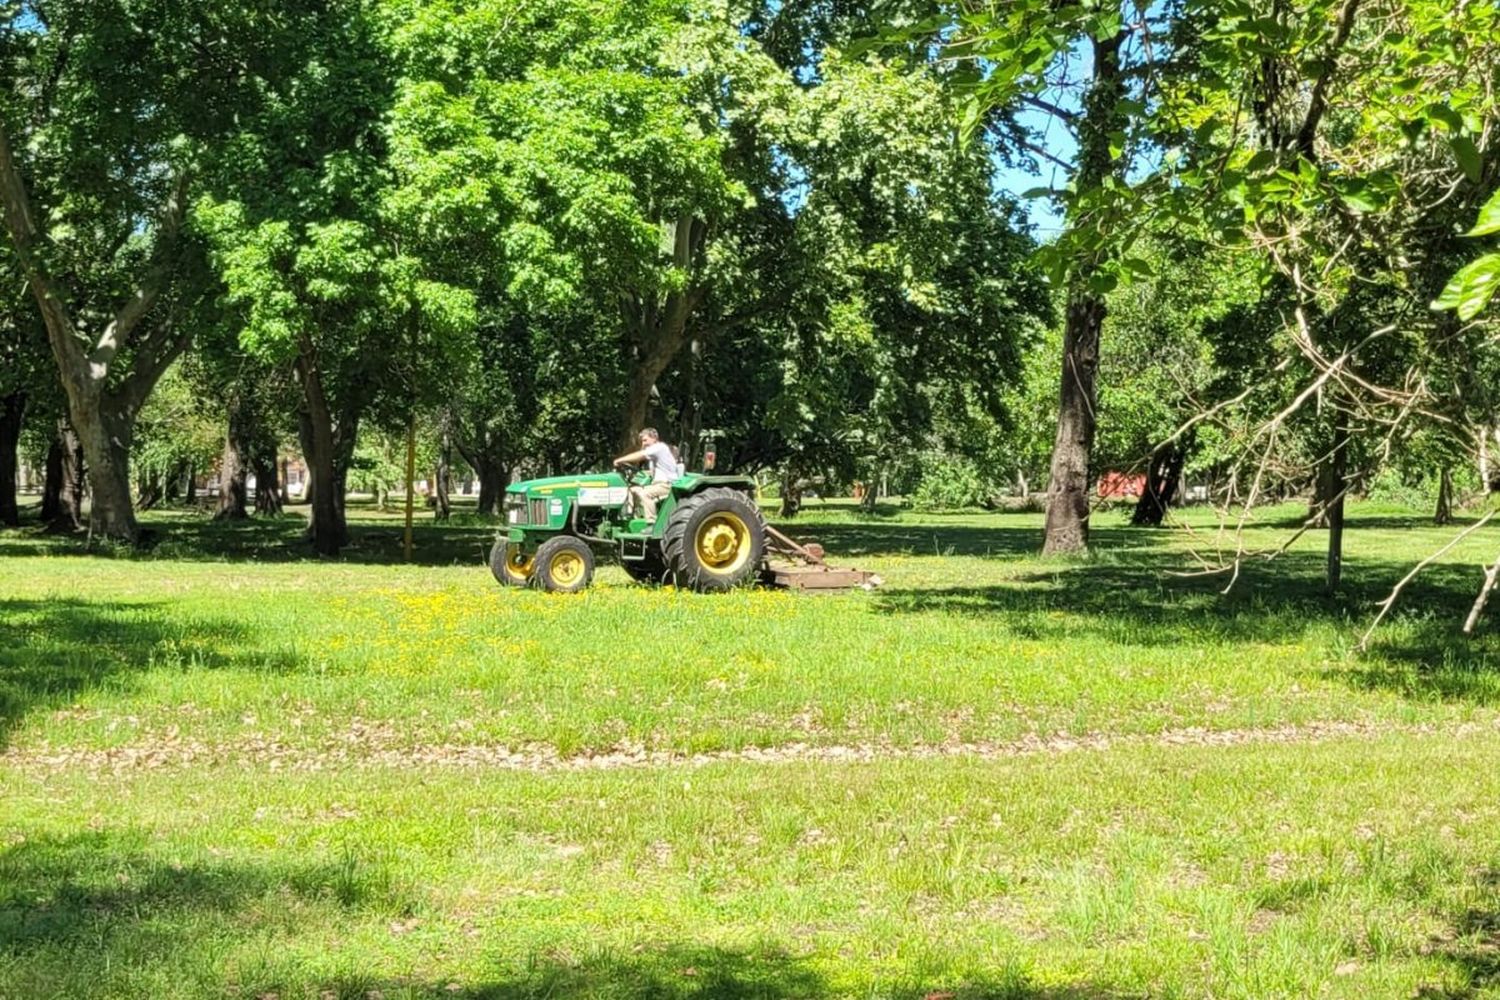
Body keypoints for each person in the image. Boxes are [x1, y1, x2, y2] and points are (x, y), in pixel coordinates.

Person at [613, 427, 682, 522]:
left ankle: (651, 522)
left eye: (645, 440)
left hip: (667, 484)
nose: (643, 443)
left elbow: (640, 455)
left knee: (646, 493)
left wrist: (620, 460)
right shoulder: (655, 455)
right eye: (642, 441)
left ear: (654, 438)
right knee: (630, 490)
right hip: (658, 485)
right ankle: (632, 518)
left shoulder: (659, 447)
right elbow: (657, 470)